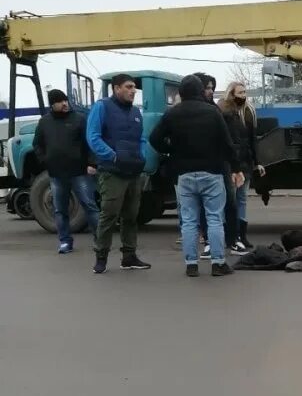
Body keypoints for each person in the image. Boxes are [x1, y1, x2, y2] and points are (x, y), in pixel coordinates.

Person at [149, 75, 244, 277]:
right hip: (212, 172)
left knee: (190, 220)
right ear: (201, 91)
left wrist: (171, 149)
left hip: (184, 174)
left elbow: (154, 138)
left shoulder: (173, 114)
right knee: (215, 218)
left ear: (181, 93)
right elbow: (227, 143)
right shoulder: (212, 112)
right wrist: (236, 167)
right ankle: (218, 263)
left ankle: (191, 264)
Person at [86, 73, 150, 274]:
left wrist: (142, 156)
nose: (133, 91)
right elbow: (93, 137)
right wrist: (113, 156)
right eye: (129, 87)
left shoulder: (136, 113)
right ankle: (101, 257)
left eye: (134, 88)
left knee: (131, 216)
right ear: (116, 88)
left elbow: (141, 139)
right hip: (112, 172)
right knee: (109, 216)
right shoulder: (102, 107)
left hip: (133, 173)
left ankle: (129, 256)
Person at [32, 89, 99, 254]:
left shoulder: (79, 119)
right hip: (56, 174)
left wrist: (92, 163)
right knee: (60, 210)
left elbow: (89, 143)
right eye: (60, 101)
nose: (64, 104)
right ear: (52, 104)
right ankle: (65, 241)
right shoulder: (44, 122)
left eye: (65, 100)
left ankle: (100, 240)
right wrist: (45, 160)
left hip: (79, 173)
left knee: (90, 206)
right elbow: (37, 144)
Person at [193, 72, 245, 258]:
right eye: (207, 88)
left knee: (230, 202)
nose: (210, 91)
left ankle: (234, 240)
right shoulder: (188, 111)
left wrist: (235, 167)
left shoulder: (218, 111)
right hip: (199, 165)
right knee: (204, 206)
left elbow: (230, 141)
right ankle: (208, 242)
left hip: (221, 164)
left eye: (212, 88)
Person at [217, 82, 265, 249]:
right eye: (240, 92)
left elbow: (253, 139)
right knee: (230, 200)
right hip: (230, 163)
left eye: (245, 92)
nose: (243, 95)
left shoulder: (249, 111)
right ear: (231, 93)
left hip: (246, 162)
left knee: (242, 198)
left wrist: (258, 162)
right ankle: (231, 235)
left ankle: (242, 235)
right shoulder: (223, 111)